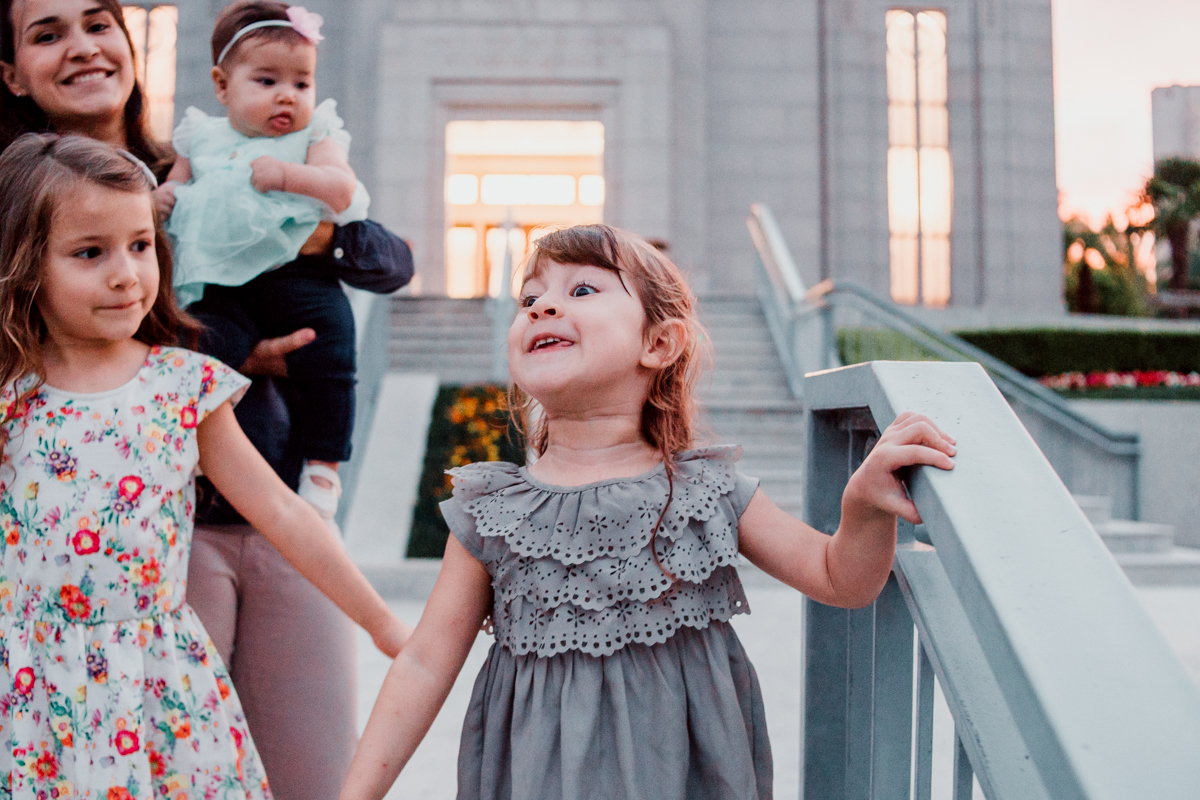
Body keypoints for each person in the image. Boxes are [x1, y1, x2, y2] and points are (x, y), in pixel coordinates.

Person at [339, 225, 957, 800]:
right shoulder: (492, 511)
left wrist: (864, 506)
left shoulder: (705, 490)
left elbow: (838, 577)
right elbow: (423, 662)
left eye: (581, 289)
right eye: (529, 298)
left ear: (658, 343)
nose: (541, 307)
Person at [1, 4, 413, 797]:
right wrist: (234, 352)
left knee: (310, 771)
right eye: (48, 32)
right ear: (13, 71)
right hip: (137, 566)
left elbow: (385, 257)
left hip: (254, 493)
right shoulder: (22, 368)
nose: (125, 274)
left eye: (98, 22)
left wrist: (299, 226)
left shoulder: (208, 154)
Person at [161, 0, 370, 519]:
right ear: (221, 84)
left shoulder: (313, 135)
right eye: (267, 81)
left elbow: (342, 190)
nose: (287, 96)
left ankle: (324, 469)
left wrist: (288, 175)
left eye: (302, 83)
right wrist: (162, 198)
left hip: (298, 278)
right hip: (225, 287)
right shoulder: (199, 137)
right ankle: (202, 446)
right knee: (205, 351)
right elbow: (173, 189)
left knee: (332, 351)